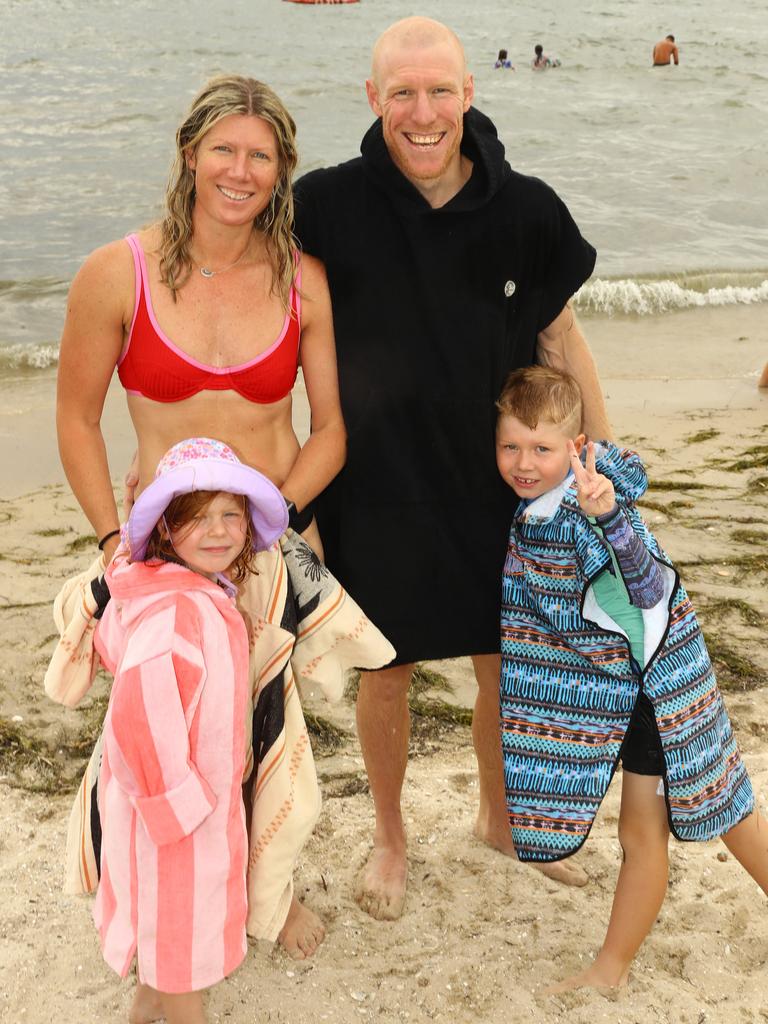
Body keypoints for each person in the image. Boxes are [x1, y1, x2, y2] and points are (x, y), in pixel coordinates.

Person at [293, 16, 612, 921]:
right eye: (403, 93)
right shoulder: (326, 205)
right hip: (379, 483)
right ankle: (390, 834)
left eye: (441, 91)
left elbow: (561, 335)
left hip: (500, 482)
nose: (423, 112)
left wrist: (601, 464)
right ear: (373, 100)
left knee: (504, 662)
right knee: (383, 669)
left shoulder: (528, 210)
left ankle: (499, 819)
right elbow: (277, 335)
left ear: (469, 94)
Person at [56, 74, 346, 960]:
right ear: (190, 155)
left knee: (268, 733)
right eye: (224, 149)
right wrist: (115, 540)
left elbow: (331, 428)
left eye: (260, 155)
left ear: (281, 169)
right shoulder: (119, 271)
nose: (240, 169)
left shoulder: (304, 280)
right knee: (161, 737)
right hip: (166, 554)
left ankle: (272, 892)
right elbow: (74, 416)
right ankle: (144, 895)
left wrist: (275, 522)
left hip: (272, 539)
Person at [496, 366, 767, 991]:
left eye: (541, 448)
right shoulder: (542, 506)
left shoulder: (586, 506)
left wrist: (612, 518)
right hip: (643, 679)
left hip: (658, 689)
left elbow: (646, 585)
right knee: (708, 810)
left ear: (576, 445)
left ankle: (610, 970)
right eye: (511, 445)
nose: (523, 462)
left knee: (701, 815)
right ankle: (610, 968)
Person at [91, 438, 289, 1024]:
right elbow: (138, 712)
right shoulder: (177, 610)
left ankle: (145, 1009)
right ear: (165, 531)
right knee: (181, 941)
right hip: (173, 817)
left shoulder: (192, 592)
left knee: (170, 932)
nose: (219, 531)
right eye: (197, 518)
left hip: (189, 803)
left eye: (231, 514)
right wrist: (176, 800)